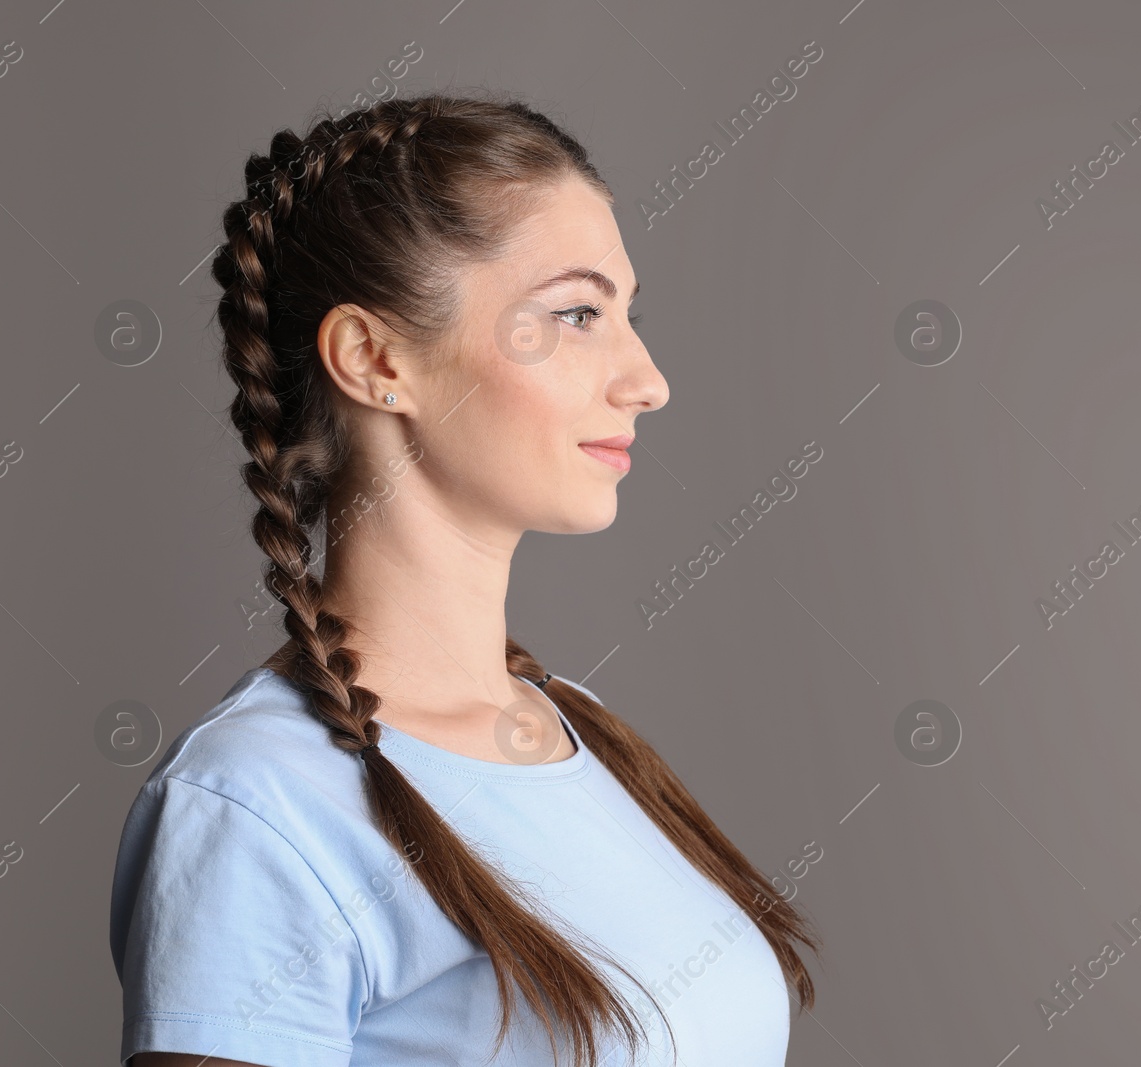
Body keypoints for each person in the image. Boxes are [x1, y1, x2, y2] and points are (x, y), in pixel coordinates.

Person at [109, 91, 820, 1067]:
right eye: (575, 313)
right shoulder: (258, 803)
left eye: (624, 313)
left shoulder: (585, 732)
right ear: (374, 358)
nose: (645, 378)